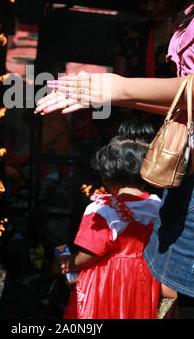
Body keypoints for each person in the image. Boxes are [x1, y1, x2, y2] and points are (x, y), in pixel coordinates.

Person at [35, 0, 194, 319]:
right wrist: (111, 95)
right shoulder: (145, 29)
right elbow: (184, 96)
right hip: (187, 162)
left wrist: (121, 88)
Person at [57, 121, 162, 319]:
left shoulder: (103, 209)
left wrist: (69, 263)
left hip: (107, 284)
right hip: (144, 281)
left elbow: (90, 254)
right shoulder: (157, 206)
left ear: (107, 176)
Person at [114, 0, 176, 79]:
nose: (149, 7)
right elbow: (118, 79)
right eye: (143, 2)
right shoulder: (131, 33)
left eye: (157, 0)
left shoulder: (186, 32)